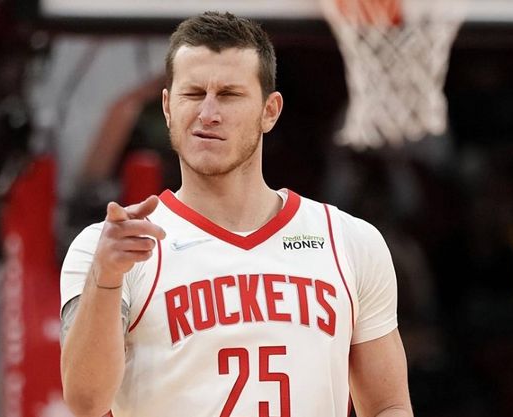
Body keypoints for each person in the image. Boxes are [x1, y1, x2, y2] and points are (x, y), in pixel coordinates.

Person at [60, 11, 413, 417]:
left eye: (229, 94)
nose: (208, 113)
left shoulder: (350, 242)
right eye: (193, 94)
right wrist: (106, 278)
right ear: (168, 107)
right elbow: (85, 402)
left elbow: (388, 405)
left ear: (270, 111)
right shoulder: (107, 249)